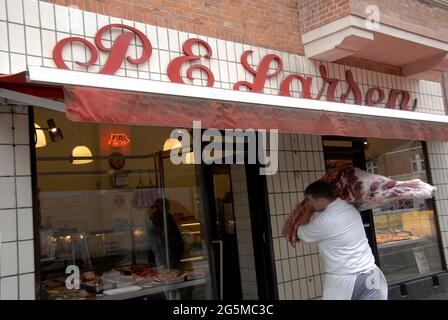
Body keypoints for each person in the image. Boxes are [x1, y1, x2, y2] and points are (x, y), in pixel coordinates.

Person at [297, 180, 388, 300]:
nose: (311, 204)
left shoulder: (325, 221)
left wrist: (308, 211)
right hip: (370, 273)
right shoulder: (348, 207)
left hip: (345, 280)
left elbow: (300, 233)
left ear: (322, 200)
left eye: (312, 201)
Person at [146, 198, 185, 270]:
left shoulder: (162, 216)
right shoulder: (159, 217)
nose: (168, 206)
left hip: (169, 251)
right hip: (167, 252)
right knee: (170, 272)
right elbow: (163, 235)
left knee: (169, 272)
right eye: (166, 205)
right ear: (160, 206)